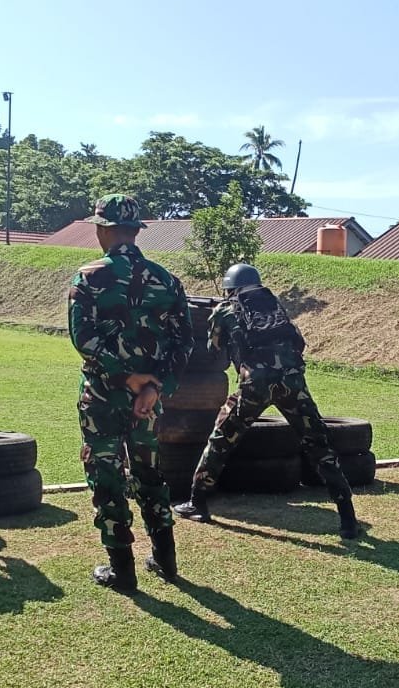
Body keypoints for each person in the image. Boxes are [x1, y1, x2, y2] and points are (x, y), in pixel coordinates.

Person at [173, 263, 360, 538]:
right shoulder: (275, 305)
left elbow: (212, 351)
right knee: (318, 444)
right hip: (293, 383)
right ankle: (348, 518)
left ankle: (198, 503)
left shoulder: (225, 310)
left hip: (254, 385)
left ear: (231, 287)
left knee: (220, 439)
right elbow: (298, 343)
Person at [69, 193, 193, 593]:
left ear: (102, 230)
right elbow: (184, 343)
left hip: (103, 396)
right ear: (136, 232)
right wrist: (155, 387)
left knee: (106, 475)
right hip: (148, 403)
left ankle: (121, 569)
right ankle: (166, 559)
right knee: (149, 472)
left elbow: (83, 340)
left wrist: (126, 380)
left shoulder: (88, 277)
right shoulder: (167, 280)